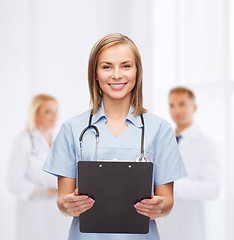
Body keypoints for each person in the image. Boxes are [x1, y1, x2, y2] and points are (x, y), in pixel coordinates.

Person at [43, 33, 186, 240]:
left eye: (126, 66)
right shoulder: (72, 129)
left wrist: (158, 208)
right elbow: (62, 203)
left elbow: (167, 202)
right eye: (107, 66)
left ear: (137, 72)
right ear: (95, 73)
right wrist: (70, 205)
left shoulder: (160, 129)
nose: (117, 75)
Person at [157, 86, 222, 240]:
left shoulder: (207, 145)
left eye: (181, 104)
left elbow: (213, 189)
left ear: (194, 107)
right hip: (165, 225)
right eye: (172, 105)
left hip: (191, 227)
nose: (176, 110)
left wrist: (173, 185)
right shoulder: (162, 141)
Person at [6, 94, 71, 240]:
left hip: (57, 211)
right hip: (33, 209)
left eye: (56, 110)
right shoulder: (23, 141)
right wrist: (40, 192)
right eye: (48, 111)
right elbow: (12, 181)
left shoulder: (59, 140)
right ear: (35, 114)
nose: (54, 115)